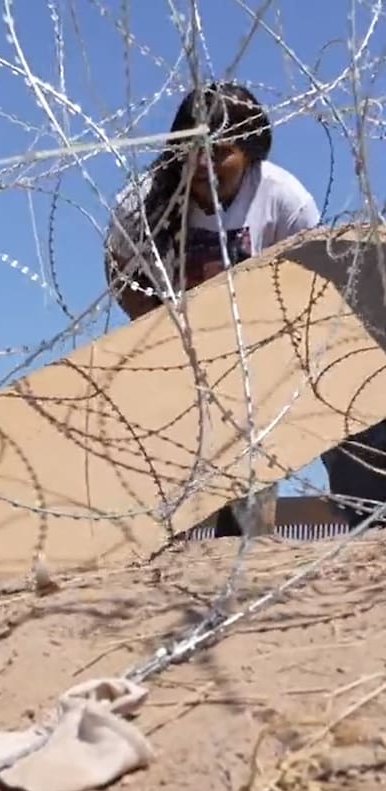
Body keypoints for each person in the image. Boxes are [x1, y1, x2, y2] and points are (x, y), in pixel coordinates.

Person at [103, 80, 321, 537]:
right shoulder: (141, 203)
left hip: (254, 366)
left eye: (219, 152)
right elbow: (118, 268)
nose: (202, 164)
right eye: (192, 148)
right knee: (161, 512)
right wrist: (162, 329)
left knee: (246, 527)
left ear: (250, 152)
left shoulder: (283, 200)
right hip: (173, 360)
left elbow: (314, 279)